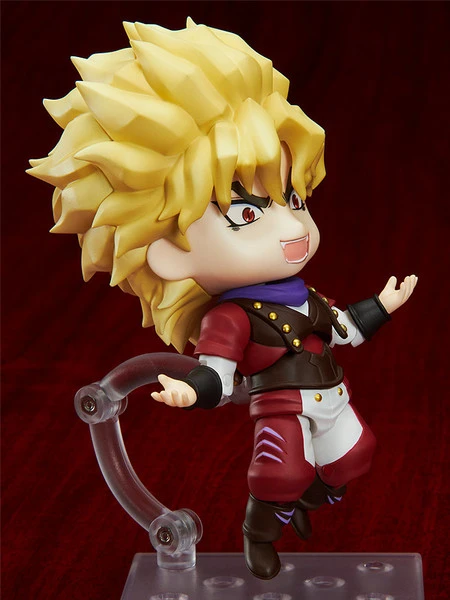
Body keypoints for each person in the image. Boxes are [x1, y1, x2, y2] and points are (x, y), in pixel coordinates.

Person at [28, 19, 417, 579]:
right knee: (279, 475)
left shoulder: (305, 296)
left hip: (332, 393)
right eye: (247, 213)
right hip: (281, 407)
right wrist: (192, 391)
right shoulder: (231, 318)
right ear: (168, 253)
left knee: (355, 457)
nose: (295, 227)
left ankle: (307, 501)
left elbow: (341, 327)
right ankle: (261, 532)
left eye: (293, 198)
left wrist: (380, 306)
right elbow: (217, 372)